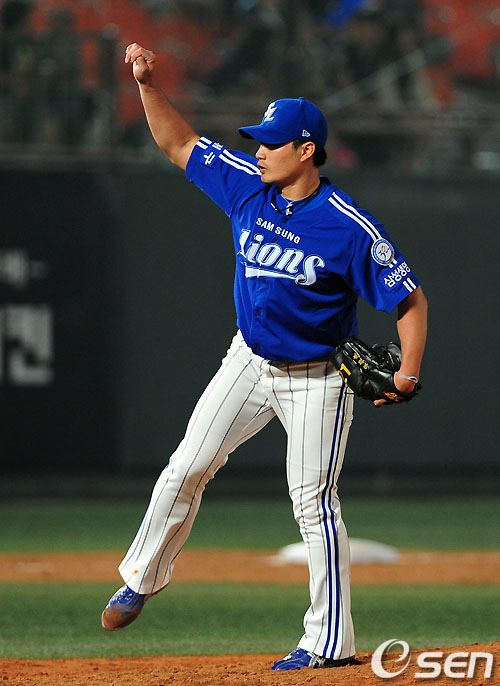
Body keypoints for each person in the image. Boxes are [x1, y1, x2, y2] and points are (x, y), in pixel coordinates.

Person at [101, 42, 428, 671]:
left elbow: (408, 299)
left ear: (306, 150)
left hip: (318, 379)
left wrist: (408, 373)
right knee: (187, 466)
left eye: (271, 143)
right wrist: (146, 84)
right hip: (248, 362)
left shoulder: (347, 225)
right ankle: (140, 579)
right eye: (258, 141)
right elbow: (179, 143)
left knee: (313, 505)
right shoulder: (249, 188)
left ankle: (328, 644)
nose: (258, 150)